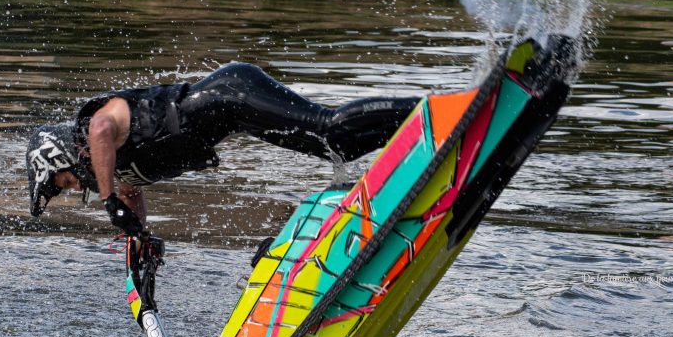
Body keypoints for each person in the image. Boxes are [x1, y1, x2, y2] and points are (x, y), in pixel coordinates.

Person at [26, 62, 419, 235]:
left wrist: (108, 201)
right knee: (339, 149)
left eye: (62, 183)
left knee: (328, 130)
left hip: (231, 93)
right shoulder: (118, 171)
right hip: (238, 116)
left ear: (60, 157)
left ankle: (428, 110)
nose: (73, 189)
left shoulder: (99, 127)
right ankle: (420, 134)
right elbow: (132, 199)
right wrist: (139, 243)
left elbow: (99, 131)